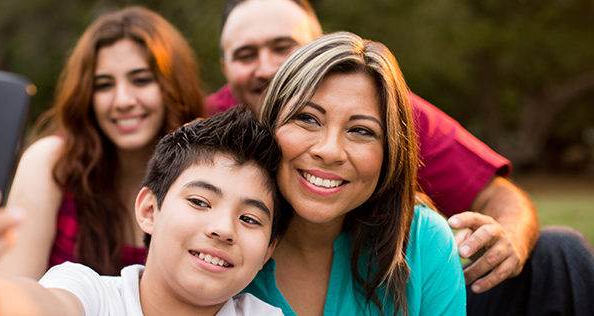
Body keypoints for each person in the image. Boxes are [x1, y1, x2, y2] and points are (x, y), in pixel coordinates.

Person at [208, 0, 594, 315]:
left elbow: (497, 193)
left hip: (403, 271)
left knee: (561, 251)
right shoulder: (202, 132)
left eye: (283, 47)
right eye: (246, 54)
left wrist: (504, 240)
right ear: (224, 69)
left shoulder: (384, 99)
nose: (267, 67)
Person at [0, 108, 289, 316]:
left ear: (269, 249)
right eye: (200, 201)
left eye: (250, 219)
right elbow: (31, 305)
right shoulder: (89, 294)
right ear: (149, 209)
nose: (223, 229)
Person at [239, 30, 465, 316]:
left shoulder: (423, 242)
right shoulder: (218, 234)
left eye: (361, 131)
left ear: (391, 153)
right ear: (270, 124)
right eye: (307, 118)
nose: (329, 151)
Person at [0, 6, 204, 279]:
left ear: (173, 86)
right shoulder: (51, 164)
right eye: (104, 85)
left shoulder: (207, 172)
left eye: (141, 80)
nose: (122, 101)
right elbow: (11, 295)